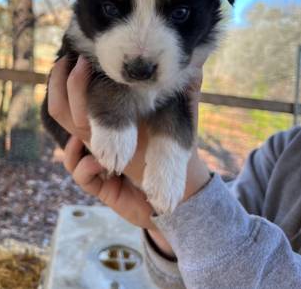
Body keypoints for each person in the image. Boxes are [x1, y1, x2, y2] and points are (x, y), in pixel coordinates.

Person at [47, 56, 301, 289]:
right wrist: (165, 223)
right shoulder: (283, 152)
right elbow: (215, 248)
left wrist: (185, 193)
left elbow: (224, 251)